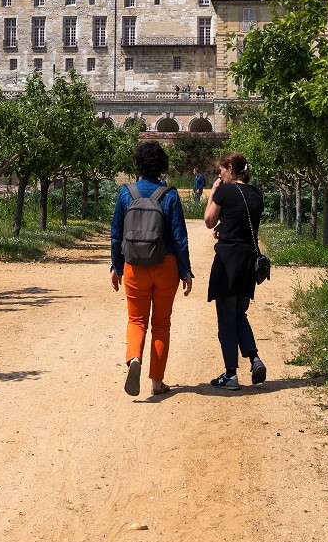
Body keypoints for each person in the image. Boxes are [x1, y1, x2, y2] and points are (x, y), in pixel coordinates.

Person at [110, 140, 194, 397]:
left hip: (135, 265)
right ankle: (157, 382)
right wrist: (185, 270)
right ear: (162, 166)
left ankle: (134, 358)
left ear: (138, 164)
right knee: (161, 324)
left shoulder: (126, 193)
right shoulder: (169, 195)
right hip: (165, 264)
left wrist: (117, 266)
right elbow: (179, 236)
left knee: (136, 320)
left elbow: (116, 234)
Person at [204, 151, 267, 390]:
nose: (219, 174)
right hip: (249, 262)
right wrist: (226, 226)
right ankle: (255, 358)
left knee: (226, 319)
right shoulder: (256, 194)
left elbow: (209, 220)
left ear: (230, 168)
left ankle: (230, 374)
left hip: (228, 261)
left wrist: (212, 193)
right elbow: (240, 219)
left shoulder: (224, 190)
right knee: (240, 313)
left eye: (220, 170)